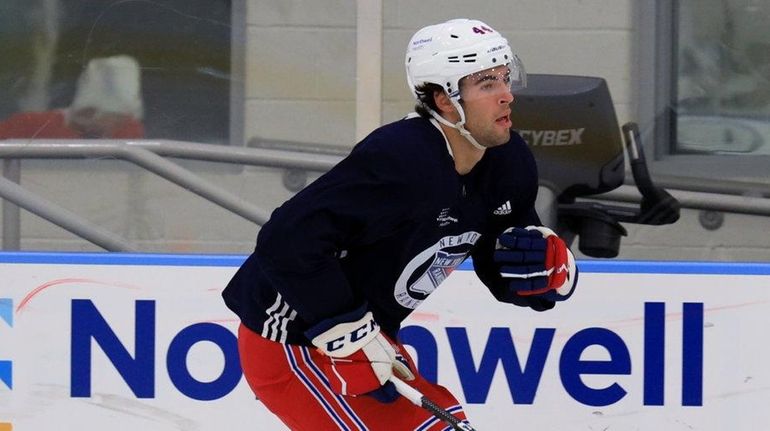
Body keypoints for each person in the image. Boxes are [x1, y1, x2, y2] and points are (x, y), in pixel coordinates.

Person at [223, 18, 579, 430]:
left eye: (505, 77)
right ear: (444, 100)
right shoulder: (402, 159)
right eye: (486, 84)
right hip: (294, 342)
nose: (507, 96)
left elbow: (504, 258)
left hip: (370, 339)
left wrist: (546, 272)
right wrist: (346, 330)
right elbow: (284, 241)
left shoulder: (509, 160)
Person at [0, 55, 144, 140]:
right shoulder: (27, 126)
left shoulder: (129, 131)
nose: (104, 122)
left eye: (117, 118)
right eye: (91, 111)